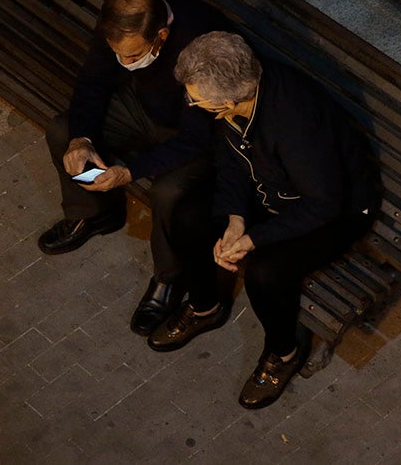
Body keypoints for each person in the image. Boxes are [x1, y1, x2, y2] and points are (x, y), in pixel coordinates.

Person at [149, 31, 380, 409]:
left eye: (197, 99)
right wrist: (236, 220)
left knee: (266, 273)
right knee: (189, 217)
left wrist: (255, 239)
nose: (189, 102)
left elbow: (325, 204)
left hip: (335, 211)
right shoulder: (237, 99)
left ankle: (283, 353)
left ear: (229, 101)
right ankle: (206, 306)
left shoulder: (295, 125)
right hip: (273, 190)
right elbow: (231, 160)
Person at [39, 0, 225, 336]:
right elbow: (94, 79)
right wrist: (82, 139)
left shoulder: (202, 44)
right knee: (63, 130)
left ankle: (168, 278)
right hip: (145, 110)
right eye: (118, 54)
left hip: (196, 134)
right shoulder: (119, 23)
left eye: (134, 55)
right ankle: (93, 213)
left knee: (170, 194)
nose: (126, 63)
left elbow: (196, 139)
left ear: (162, 35)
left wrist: (131, 171)